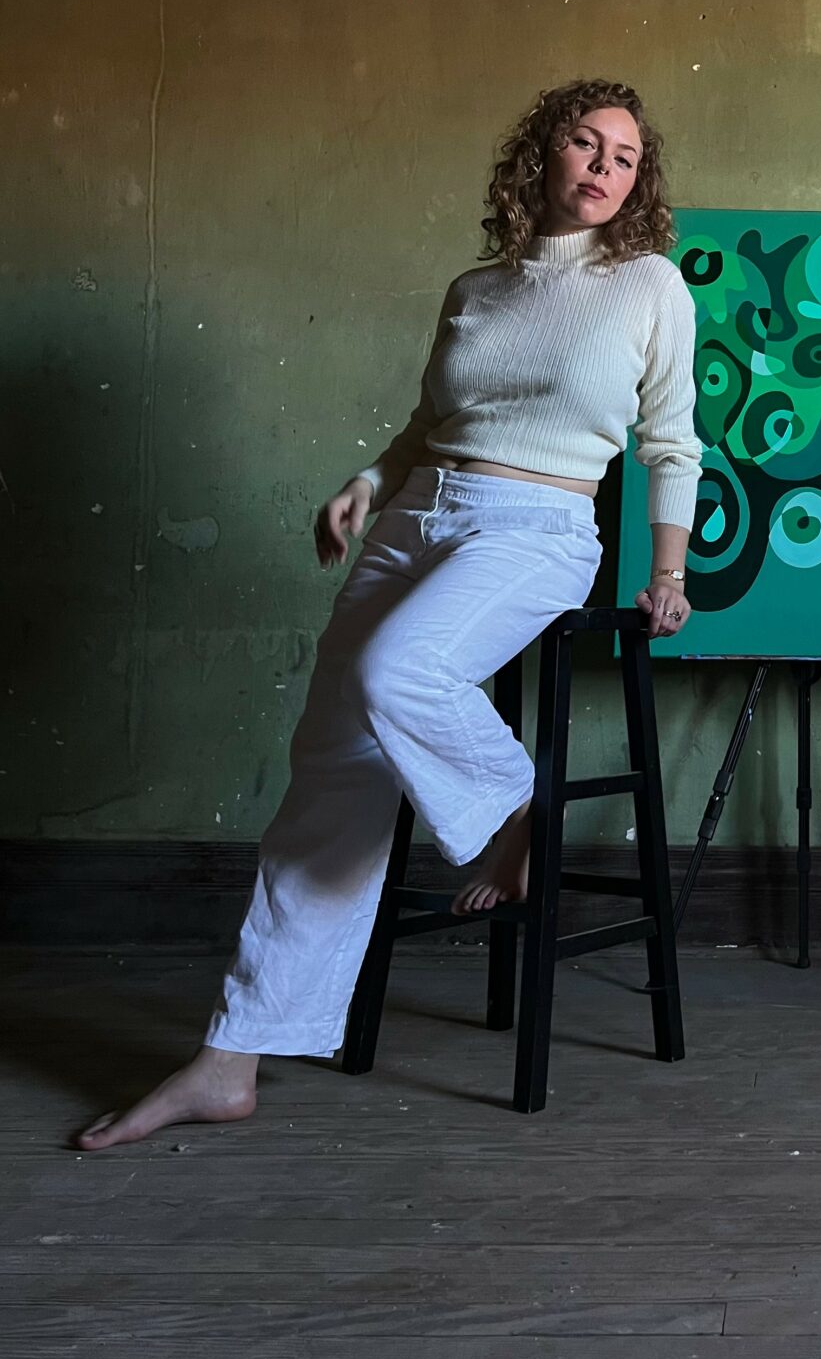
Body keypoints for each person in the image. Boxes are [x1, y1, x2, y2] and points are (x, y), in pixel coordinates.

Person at [75, 78, 701, 1151]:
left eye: (625, 156)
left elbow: (671, 440)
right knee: (331, 773)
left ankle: (520, 809)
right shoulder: (476, 288)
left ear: (639, 181)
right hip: (418, 515)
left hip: (536, 530)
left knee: (396, 672)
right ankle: (230, 1059)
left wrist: (670, 571)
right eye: (584, 143)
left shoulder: (649, 285)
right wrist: (366, 483)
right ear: (542, 155)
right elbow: (429, 423)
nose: (604, 167)